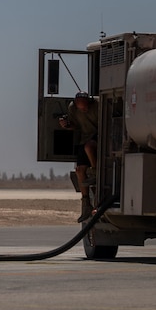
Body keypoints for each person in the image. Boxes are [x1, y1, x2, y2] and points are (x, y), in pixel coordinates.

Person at [58, 91, 98, 223]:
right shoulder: (73, 109)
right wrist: (66, 125)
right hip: (84, 138)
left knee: (89, 147)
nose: (84, 109)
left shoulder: (98, 105)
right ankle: (86, 203)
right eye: (81, 107)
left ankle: (95, 171)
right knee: (80, 170)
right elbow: (76, 126)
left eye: (85, 106)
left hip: (98, 137)